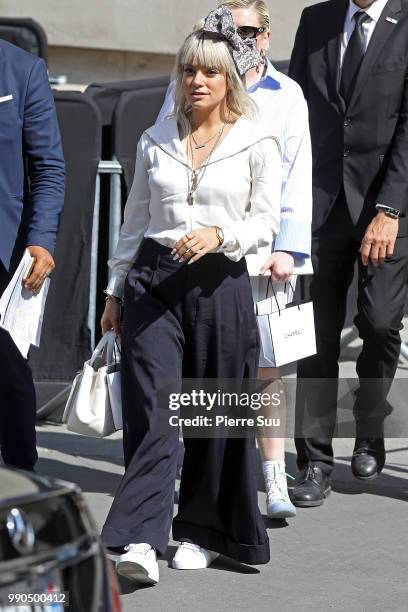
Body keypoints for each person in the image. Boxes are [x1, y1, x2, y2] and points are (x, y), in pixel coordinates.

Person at [100, 7, 282, 586]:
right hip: (154, 281)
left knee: (211, 415)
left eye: (209, 73)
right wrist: (114, 291)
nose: (197, 82)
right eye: (188, 72)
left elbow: (265, 222)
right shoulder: (155, 140)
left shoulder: (257, 140)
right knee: (155, 411)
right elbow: (133, 222)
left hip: (222, 282)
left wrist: (220, 235)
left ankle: (205, 533)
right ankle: (142, 540)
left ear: (229, 78)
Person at [157, 0, 312, 520]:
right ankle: (204, 469)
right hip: (202, 253)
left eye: (246, 30)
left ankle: (272, 477)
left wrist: (289, 247)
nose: (234, 37)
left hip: (265, 252)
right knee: (203, 368)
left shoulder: (286, 95)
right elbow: (162, 155)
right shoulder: (192, 84)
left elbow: (296, 174)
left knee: (266, 367)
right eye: (222, 28)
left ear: (266, 38)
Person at [289, 0, 408, 507]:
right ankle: (314, 461)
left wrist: (391, 208)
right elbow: (294, 111)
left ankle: (370, 425)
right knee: (315, 339)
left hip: (386, 206)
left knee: (380, 323)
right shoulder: (316, 20)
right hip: (318, 206)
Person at [0, 40, 65, 471]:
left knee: (7, 368)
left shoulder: (21, 70)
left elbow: (47, 167)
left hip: (3, 253)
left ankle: (23, 483)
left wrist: (41, 239)